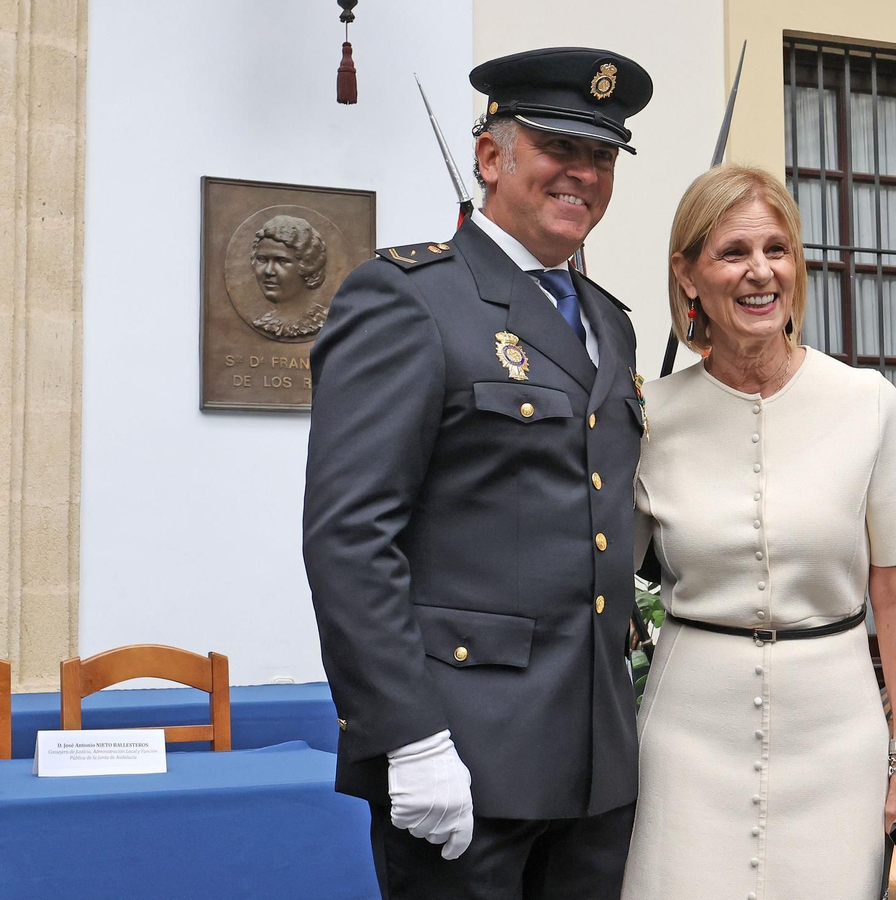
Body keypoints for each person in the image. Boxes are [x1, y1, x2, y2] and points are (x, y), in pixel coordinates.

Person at [303, 47, 652, 900]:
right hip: (465, 754)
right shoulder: (410, 297)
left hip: (595, 763)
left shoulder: (608, 320)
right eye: (558, 147)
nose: (583, 174)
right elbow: (351, 538)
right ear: (491, 157)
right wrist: (410, 739)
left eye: (602, 156)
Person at [621, 165, 896, 899]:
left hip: (837, 737)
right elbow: (601, 578)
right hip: (686, 740)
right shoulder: (645, 414)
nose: (760, 272)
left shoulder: (867, 403)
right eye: (734, 252)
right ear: (688, 275)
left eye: (777, 249)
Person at [248, 214, 329, 339]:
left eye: (281, 261)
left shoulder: (330, 321)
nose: (269, 271)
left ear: (308, 265)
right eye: (262, 260)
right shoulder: (263, 323)